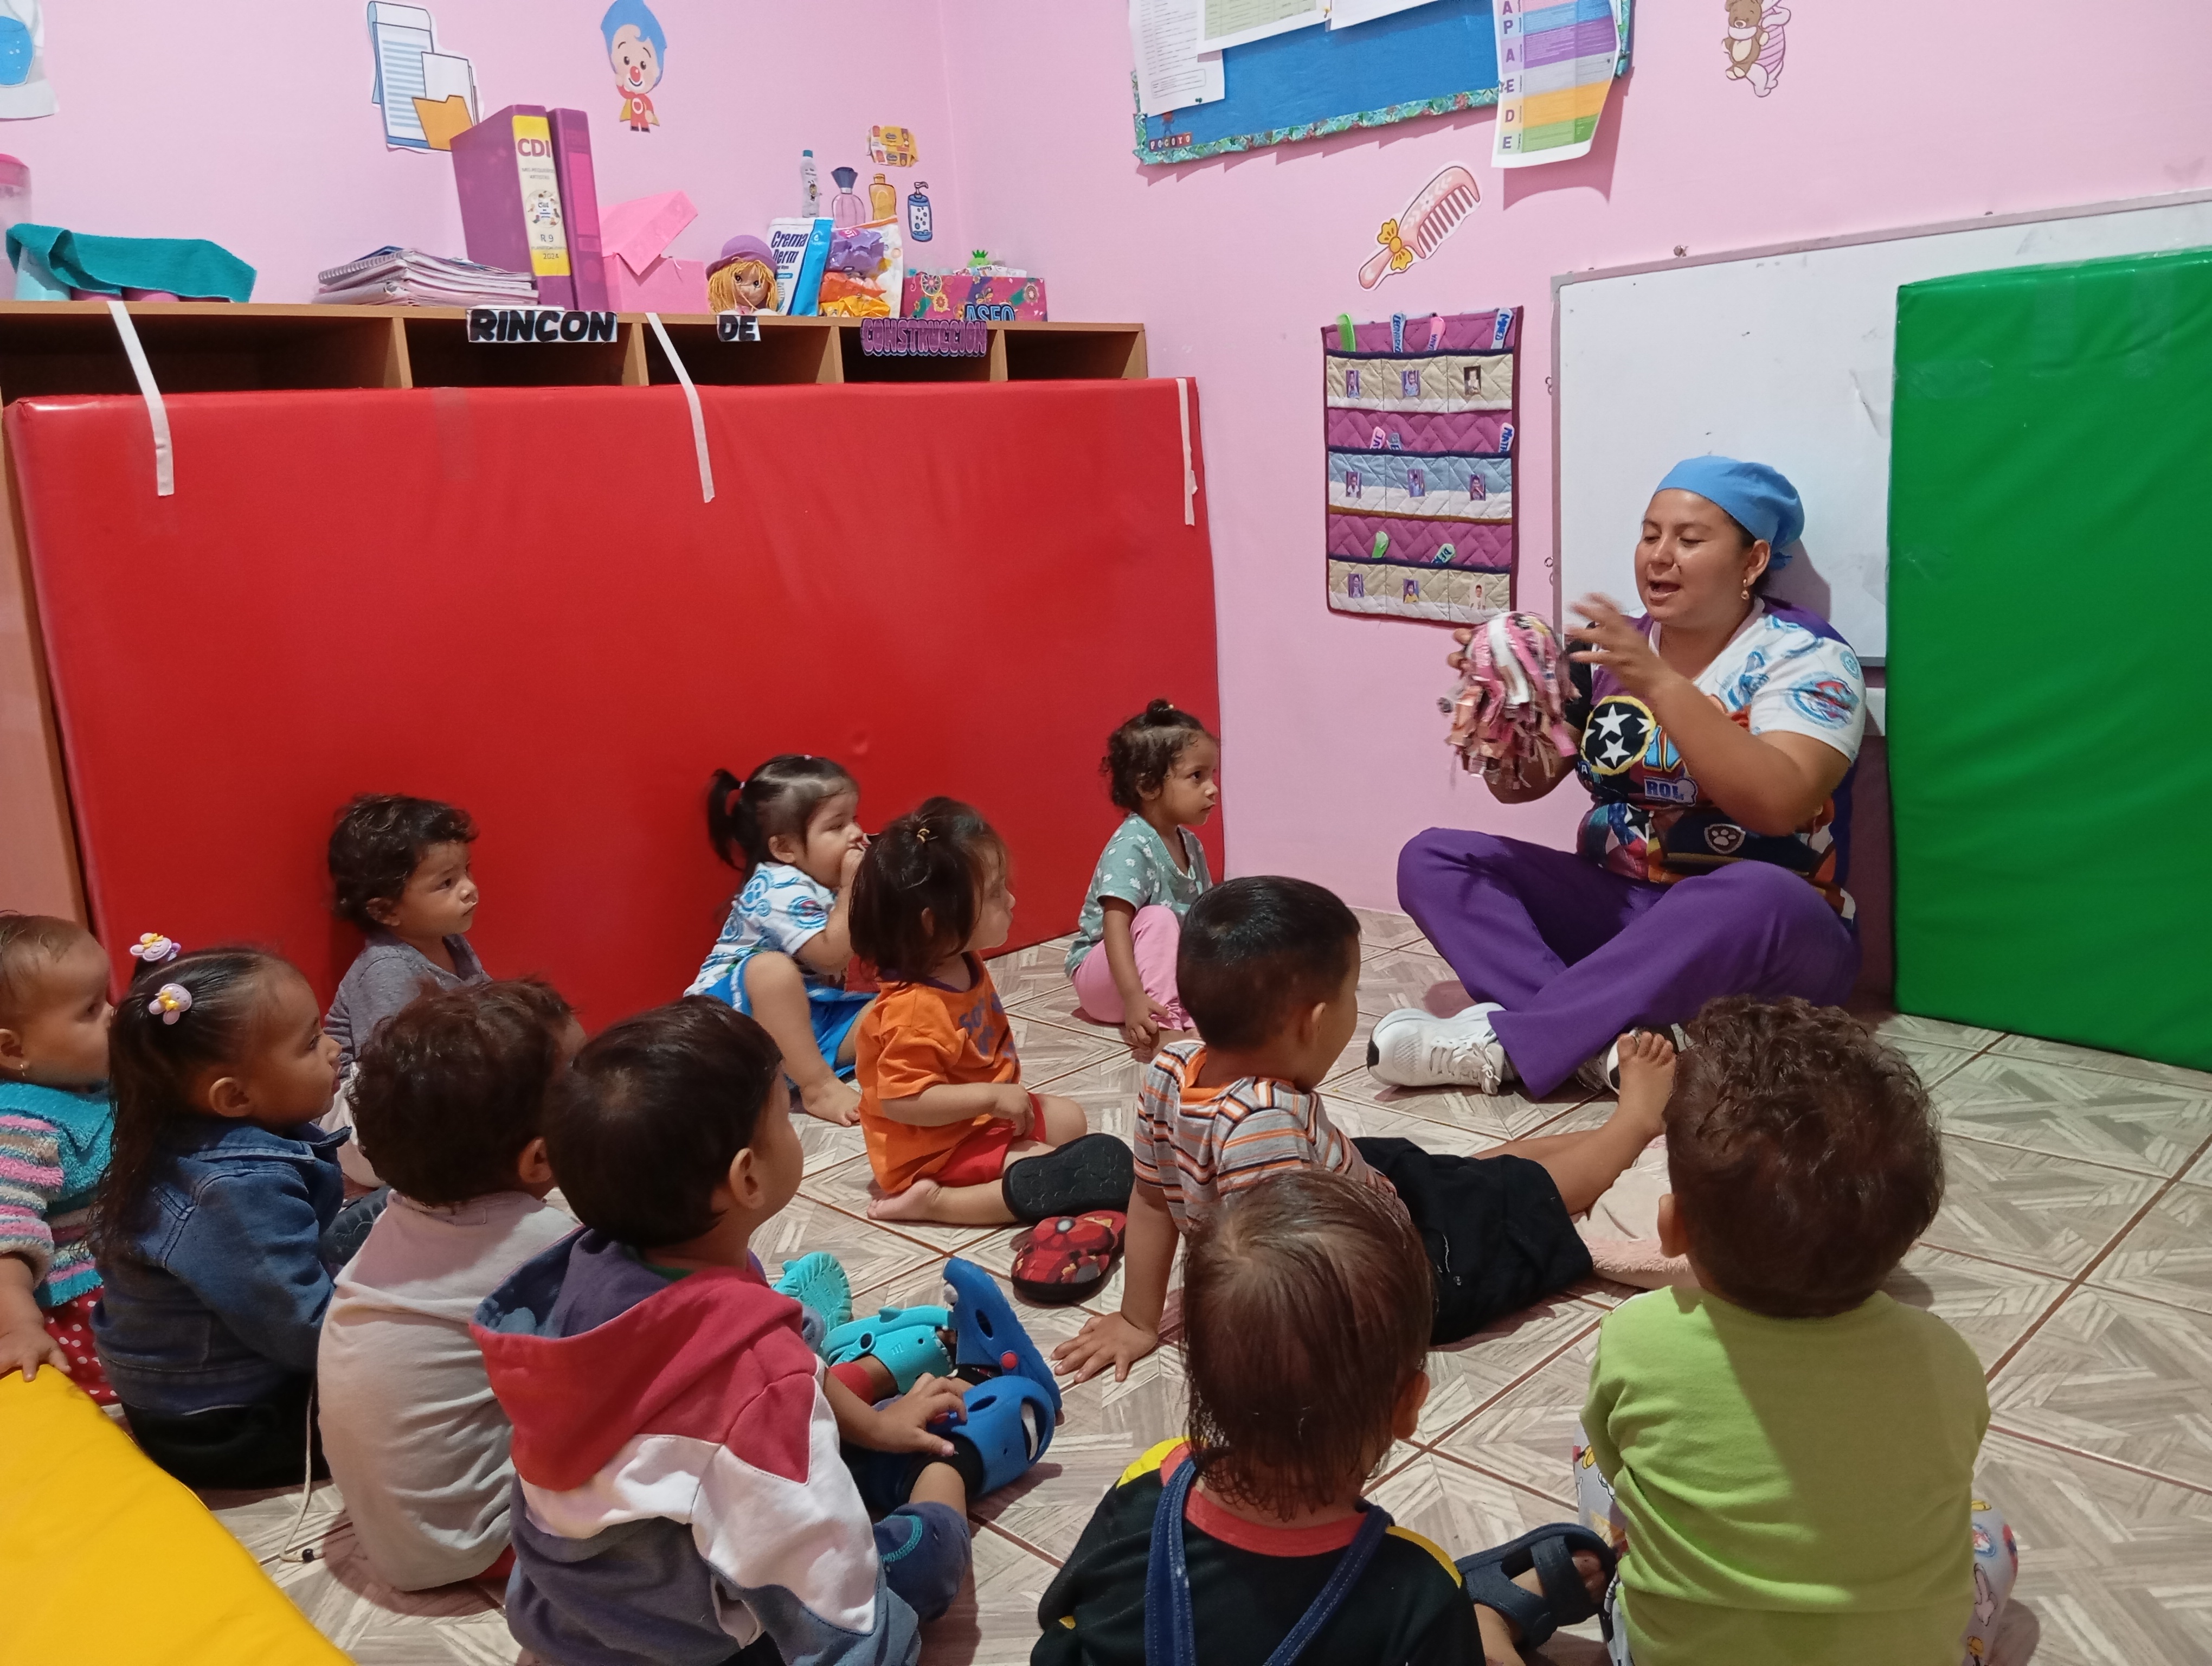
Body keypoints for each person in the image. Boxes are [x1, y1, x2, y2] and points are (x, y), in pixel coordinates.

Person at [476, 997, 1059, 1666]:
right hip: (692, 1648)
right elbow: (830, 1604)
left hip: (575, 1619)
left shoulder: (594, 1276)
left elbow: (770, 1371)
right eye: (785, 1116)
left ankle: (877, 1413)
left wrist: (871, 1428)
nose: (793, 1127)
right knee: (923, 1551)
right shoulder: (756, 1384)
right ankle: (965, 1452)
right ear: (747, 1177)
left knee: (814, 1415)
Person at [1052, 877, 1673, 1385]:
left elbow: (1152, 1198)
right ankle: (1633, 1123)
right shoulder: (1264, 1128)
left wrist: (1139, 1320)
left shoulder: (1170, 1069)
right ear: (1312, 1022)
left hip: (1355, 1193)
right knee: (1520, 1200)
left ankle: (1526, 1165)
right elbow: (1291, 1285)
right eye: (1351, 996)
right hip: (1398, 1268)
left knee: (1465, 1177)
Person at [1377, 457, 1866, 1099]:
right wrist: (1508, 712)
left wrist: (1659, 683)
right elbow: (1521, 786)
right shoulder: (1609, 649)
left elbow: (1779, 806)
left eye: (1689, 540)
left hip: (1767, 930)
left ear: (1752, 562)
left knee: (1758, 892)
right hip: (1626, 909)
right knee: (1436, 859)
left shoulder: (1807, 655)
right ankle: (1600, 1046)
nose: (1660, 556)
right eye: (1650, 534)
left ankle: (1528, 1040)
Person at [1552, 996, 2012, 1664]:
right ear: (1902, 1242)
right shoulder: (1946, 1356)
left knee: (1592, 1449)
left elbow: (1622, 1465)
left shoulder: (1637, 1338)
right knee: (1988, 1533)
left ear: (1671, 1229)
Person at [1037, 1169, 1491, 1664]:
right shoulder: (1420, 1592)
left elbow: (1063, 1617)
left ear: (1200, 1381)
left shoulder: (1151, 1481)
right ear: (1407, 1406)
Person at [316, 979, 583, 1591]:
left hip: (393, 1537)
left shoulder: (395, 1215)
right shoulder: (543, 1244)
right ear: (540, 1160)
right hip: (480, 1543)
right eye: (583, 1082)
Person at [92, 947, 349, 1488]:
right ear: (233, 1097)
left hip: (198, 1402)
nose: (334, 1049)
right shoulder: (236, 1189)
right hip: (227, 1428)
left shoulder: (179, 1135)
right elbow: (306, 1333)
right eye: (310, 1043)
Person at [848, 797, 1131, 1228]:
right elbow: (902, 1100)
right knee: (1042, 1175)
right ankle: (934, 1201)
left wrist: (995, 1100)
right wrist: (991, 1097)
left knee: (1071, 1120)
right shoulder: (914, 1011)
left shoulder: (960, 960)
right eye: (996, 893)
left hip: (978, 1121)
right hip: (934, 1149)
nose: (1012, 900)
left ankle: (997, 1167)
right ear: (933, 923)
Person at [688, 757, 874, 1127]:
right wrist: (852, 890)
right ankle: (818, 1086)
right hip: (732, 1029)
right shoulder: (776, 886)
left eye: (854, 819)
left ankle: (816, 1067)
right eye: (837, 826)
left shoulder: (825, 881)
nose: (856, 833)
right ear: (785, 848)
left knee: (897, 1012)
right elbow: (829, 957)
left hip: (805, 1029)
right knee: (772, 971)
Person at [0, 913, 121, 1404]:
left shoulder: (94, 1082)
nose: (112, 1014)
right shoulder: (23, 1126)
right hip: (90, 1303)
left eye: (107, 998)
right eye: (90, 1010)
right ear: (13, 1049)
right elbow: (7, 1234)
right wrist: (18, 1327)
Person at [1065, 699, 1219, 1062]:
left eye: (1212, 775)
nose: (1212, 789)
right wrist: (1133, 998)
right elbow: (1115, 926)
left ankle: (1187, 1017)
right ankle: (1164, 1029)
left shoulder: (1191, 845)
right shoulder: (1131, 845)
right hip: (1107, 981)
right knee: (1157, 918)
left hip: (1153, 977)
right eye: (1197, 777)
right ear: (1149, 786)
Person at [324, 794, 488, 1074]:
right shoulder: (387, 969)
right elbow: (391, 1068)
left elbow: (487, 1005)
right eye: (446, 882)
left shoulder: (451, 941)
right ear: (386, 911)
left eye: (467, 871)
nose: (469, 888)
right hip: (376, 1088)